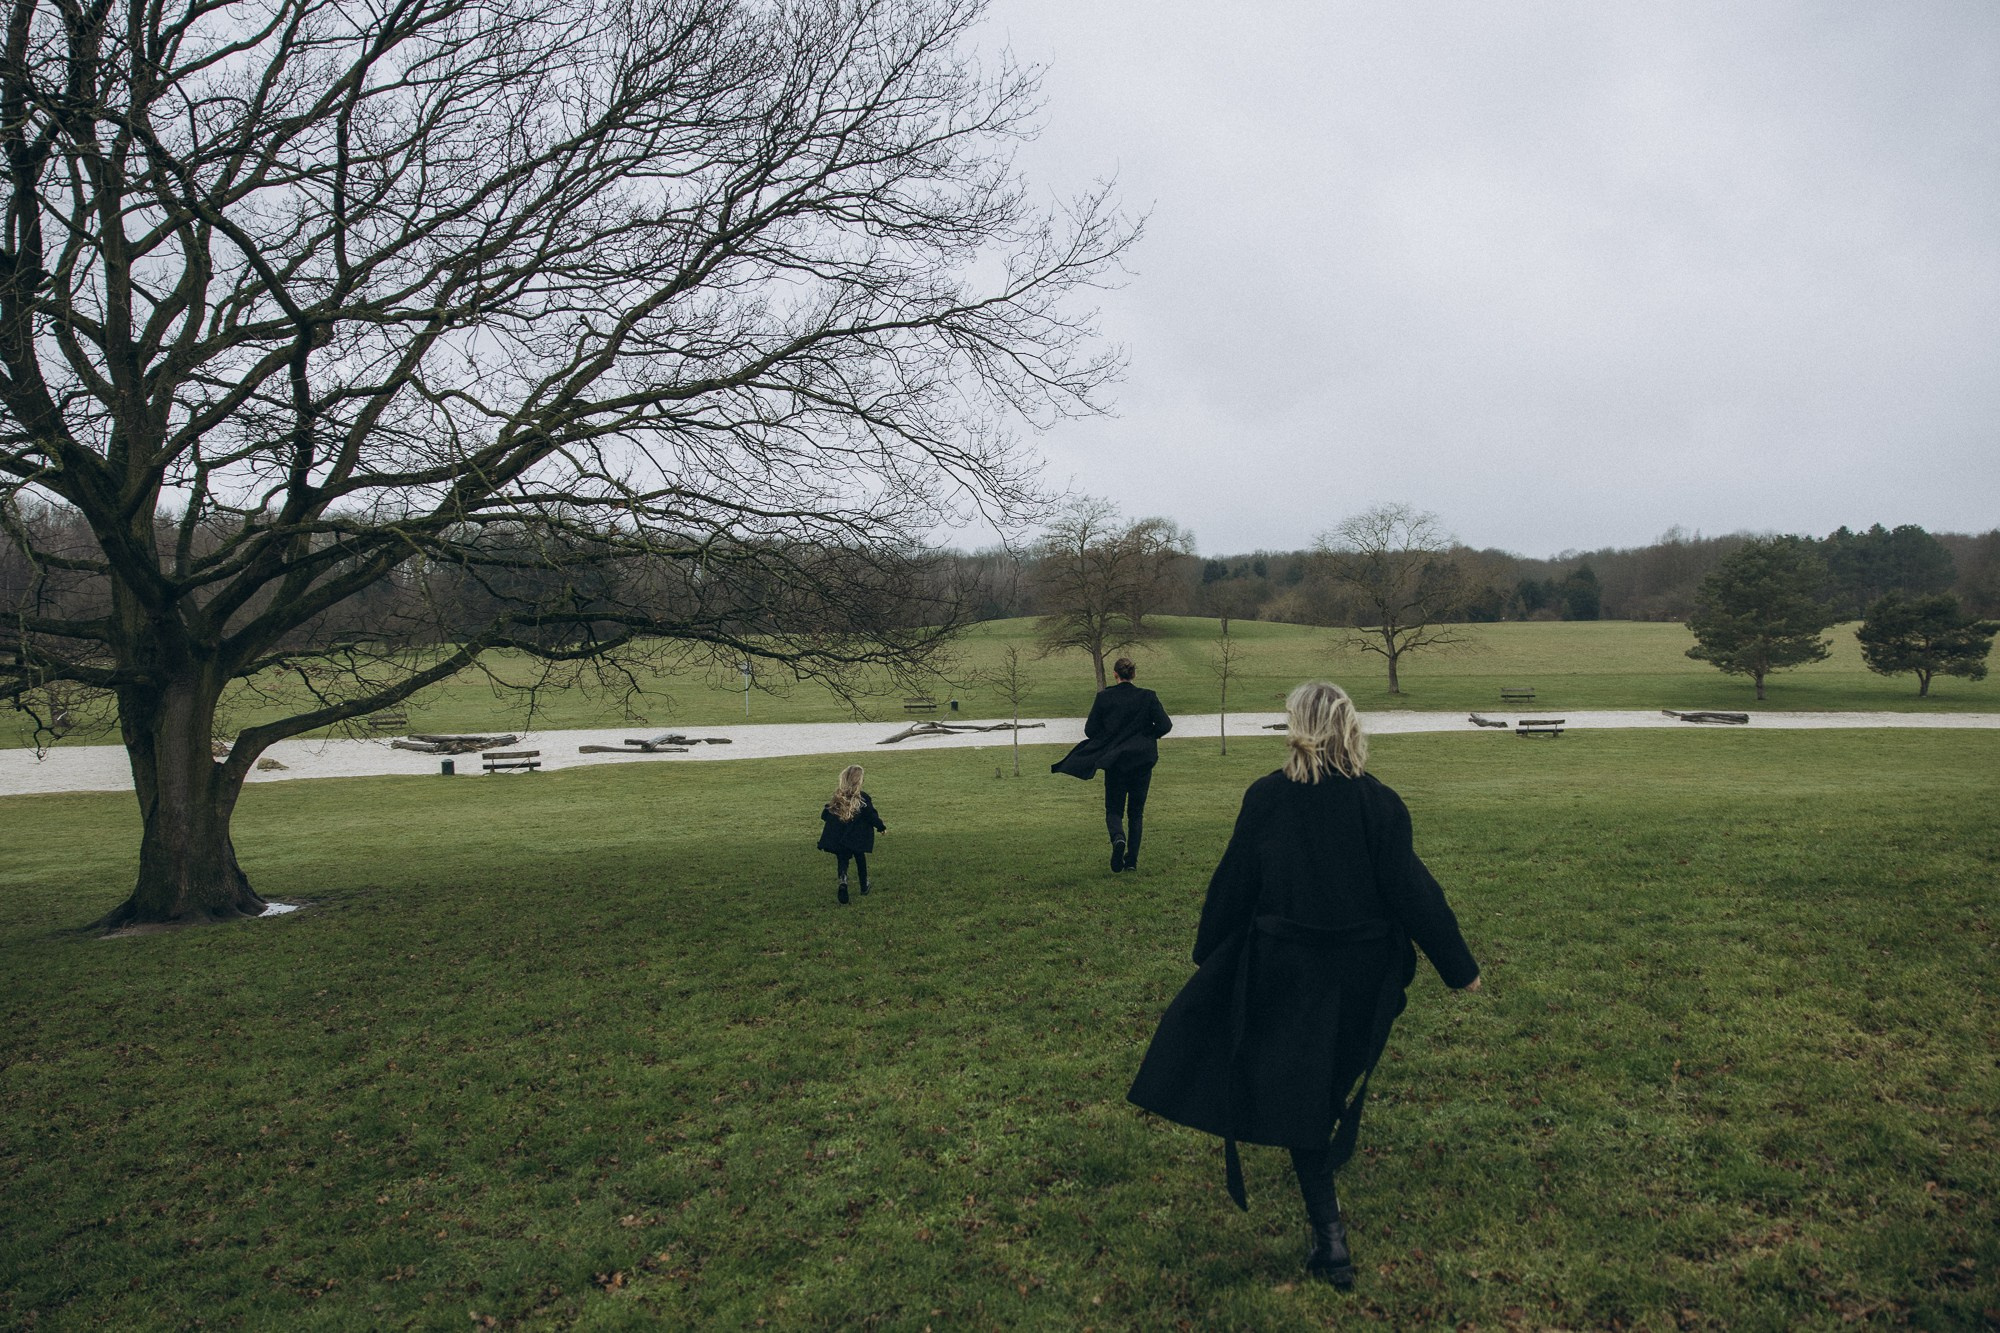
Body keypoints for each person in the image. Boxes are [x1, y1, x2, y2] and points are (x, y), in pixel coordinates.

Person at [1125, 680, 1481, 1288]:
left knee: (1308, 1095)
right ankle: (1328, 1235)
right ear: (1349, 727)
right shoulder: (1380, 803)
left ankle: (1331, 1238)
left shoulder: (1270, 797)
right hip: (1359, 978)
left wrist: (1208, 949)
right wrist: (1460, 968)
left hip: (1290, 972)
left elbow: (1234, 883)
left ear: (1298, 728)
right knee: (1313, 1094)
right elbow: (1413, 892)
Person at [1050, 657, 1172, 872]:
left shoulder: (1104, 698)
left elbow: (1090, 730)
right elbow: (1165, 725)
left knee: (1113, 809)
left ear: (1115, 674)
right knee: (1136, 812)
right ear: (1133, 675)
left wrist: (1108, 738)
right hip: (1141, 762)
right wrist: (1146, 737)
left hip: (1116, 762)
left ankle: (1117, 838)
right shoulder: (1148, 697)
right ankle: (1132, 861)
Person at [817, 764, 886, 905]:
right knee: (860, 858)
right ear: (859, 780)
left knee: (842, 859)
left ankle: (843, 880)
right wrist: (881, 827)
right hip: (856, 837)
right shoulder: (862, 799)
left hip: (840, 837)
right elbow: (871, 815)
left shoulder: (838, 798)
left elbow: (826, 814)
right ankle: (864, 884)